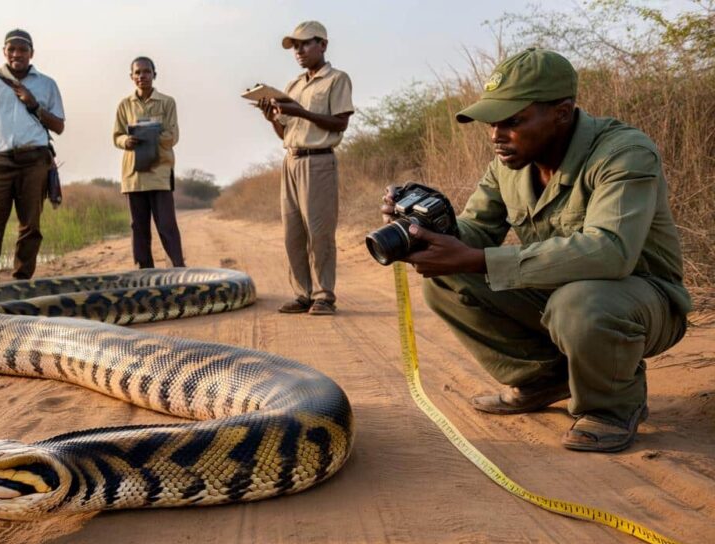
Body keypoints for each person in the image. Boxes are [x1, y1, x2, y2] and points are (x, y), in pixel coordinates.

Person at [381, 48, 690, 452]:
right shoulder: (509, 164)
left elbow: (610, 252)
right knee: (447, 279)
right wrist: (427, 228)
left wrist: (477, 258)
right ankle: (543, 380)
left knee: (578, 303)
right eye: (492, 123)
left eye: (513, 122)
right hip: (562, 293)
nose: (496, 136)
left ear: (562, 113)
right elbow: (476, 231)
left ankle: (612, 406)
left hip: (643, 302)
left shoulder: (624, 152)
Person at [256, 21, 354, 316]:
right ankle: (303, 294)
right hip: (291, 160)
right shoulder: (293, 85)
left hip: (319, 161)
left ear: (322, 44)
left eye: (305, 44)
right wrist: (271, 117)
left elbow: (340, 123)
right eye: (294, 46)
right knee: (293, 233)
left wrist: (300, 111)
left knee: (320, 232)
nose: (298, 50)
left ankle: (325, 295)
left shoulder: (336, 79)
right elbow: (284, 133)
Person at [0, 28, 65, 284]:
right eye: (12, 49)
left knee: (30, 226)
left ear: (32, 53)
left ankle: (21, 281)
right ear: (4, 52)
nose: (16, 54)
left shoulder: (47, 84)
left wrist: (33, 104)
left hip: (34, 161)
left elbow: (59, 126)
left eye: (22, 49)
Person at [112, 56, 185, 269]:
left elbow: (173, 136)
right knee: (139, 227)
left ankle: (178, 269)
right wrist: (127, 140)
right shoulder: (124, 105)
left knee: (166, 225)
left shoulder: (167, 102)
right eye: (137, 72)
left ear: (154, 74)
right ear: (131, 76)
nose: (142, 76)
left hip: (160, 171)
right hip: (133, 174)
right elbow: (116, 136)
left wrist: (150, 135)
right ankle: (144, 273)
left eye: (146, 72)